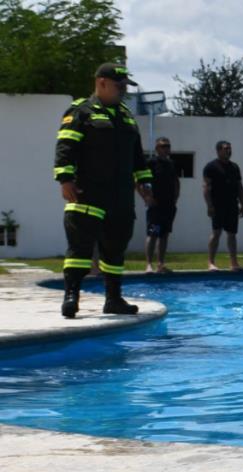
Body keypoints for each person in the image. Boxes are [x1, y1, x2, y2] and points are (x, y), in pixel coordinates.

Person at [54, 63, 154, 318]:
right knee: (80, 248)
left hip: (120, 197)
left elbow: (137, 157)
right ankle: (71, 296)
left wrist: (145, 183)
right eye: (119, 86)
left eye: (125, 87)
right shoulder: (81, 111)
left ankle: (113, 299)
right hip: (88, 193)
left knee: (115, 248)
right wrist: (65, 179)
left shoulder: (126, 116)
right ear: (101, 83)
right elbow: (66, 147)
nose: (123, 91)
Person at [203, 140, 243, 271]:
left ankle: (234, 263)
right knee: (216, 233)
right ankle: (211, 262)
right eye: (225, 149)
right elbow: (206, 187)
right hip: (217, 205)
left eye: (229, 148)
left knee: (232, 234)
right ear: (218, 151)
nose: (228, 151)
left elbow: (239, 187)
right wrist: (209, 205)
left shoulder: (234, 167)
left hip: (232, 205)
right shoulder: (211, 167)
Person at [144, 136, 179, 274]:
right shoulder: (151, 163)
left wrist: (176, 196)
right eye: (163, 146)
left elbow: (176, 181)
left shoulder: (171, 163)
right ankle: (148, 264)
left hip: (169, 205)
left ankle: (161, 264)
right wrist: (147, 197)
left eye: (168, 146)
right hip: (156, 206)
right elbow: (142, 181)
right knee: (153, 233)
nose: (166, 149)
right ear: (157, 148)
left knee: (164, 235)